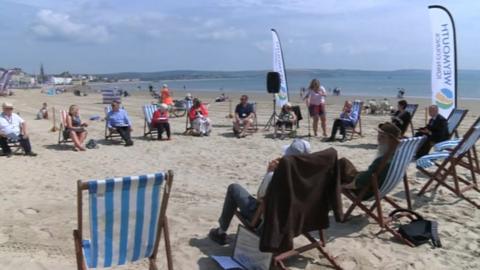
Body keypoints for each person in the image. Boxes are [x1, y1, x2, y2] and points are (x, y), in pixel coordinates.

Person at [208, 138, 311, 245]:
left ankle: (221, 232)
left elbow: (260, 198)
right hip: (298, 222)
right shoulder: (312, 177)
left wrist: (269, 172)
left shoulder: (275, 176)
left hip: (269, 222)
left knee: (233, 188)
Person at [341, 122, 401, 199]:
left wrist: (346, 186)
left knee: (339, 165)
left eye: (383, 136)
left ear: (392, 140)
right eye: (379, 134)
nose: (378, 138)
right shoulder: (397, 156)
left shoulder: (383, 160)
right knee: (344, 162)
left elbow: (361, 181)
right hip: (379, 188)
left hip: (365, 191)